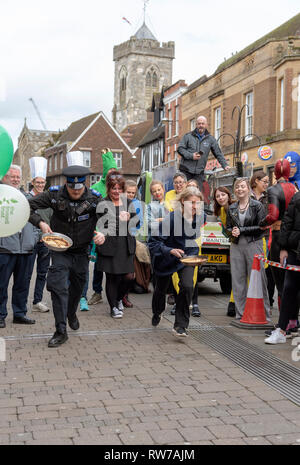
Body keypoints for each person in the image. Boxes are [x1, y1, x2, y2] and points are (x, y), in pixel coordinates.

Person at [28, 154, 104, 347]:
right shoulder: (54, 194)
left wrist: (103, 233)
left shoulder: (94, 199)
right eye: (72, 187)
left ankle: (71, 312)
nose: (75, 191)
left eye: (79, 188)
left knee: (78, 288)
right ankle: (60, 330)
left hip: (81, 252)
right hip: (59, 249)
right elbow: (27, 206)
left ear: (84, 185)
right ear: (66, 184)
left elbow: (108, 218)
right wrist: (41, 223)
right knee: (58, 287)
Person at [148, 187, 204, 337]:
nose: (194, 207)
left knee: (187, 286)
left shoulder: (199, 217)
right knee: (160, 290)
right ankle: (157, 311)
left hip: (187, 256)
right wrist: (170, 250)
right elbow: (153, 243)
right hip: (166, 258)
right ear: (182, 202)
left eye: (197, 203)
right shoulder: (170, 219)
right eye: (191, 203)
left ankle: (180, 325)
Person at [226, 178, 271, 320]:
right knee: (238, 280)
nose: (240, 189)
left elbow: (262, 227)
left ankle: (265, 315)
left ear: (248, 189)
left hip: (254, 243)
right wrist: (231, 231)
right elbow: (227, 226)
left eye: (242, 186)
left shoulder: (257, 206)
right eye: (237, 187)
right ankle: (241, 314)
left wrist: (242, 230)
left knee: (258, 279)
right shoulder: (232, 207)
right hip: (236, 245)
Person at [0, 165, 38, 329]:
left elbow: (37, 219)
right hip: (6, 249)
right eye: (11, 176)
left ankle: (20, 313)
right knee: (1, 284)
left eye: (17, 177)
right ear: (4, 178)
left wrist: (34, 238)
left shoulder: (28, 198)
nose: (15, 179)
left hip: (26, 248)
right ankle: (0, 315)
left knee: (23, 284)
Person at [96, 174, 138, 319]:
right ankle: (113, 307)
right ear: (109, 188)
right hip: (109, 244)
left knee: (129, 277)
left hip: (126, 245)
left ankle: (119, 299)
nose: (117, 191)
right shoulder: (102, 203)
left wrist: (130, 219)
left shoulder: (128, 202)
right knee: (112, 278)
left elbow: (137, 224)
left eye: (120, 188)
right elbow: (101, 224)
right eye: (114, 188)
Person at [259, 159, 297, 309]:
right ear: (289, 172)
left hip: (278, 236)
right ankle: (293, 322)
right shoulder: (296, 189)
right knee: (293, 281)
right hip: (295, 238)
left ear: (275, 173)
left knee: (281, 284)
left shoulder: (273, 190)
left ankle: (284, 324)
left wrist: (261, 224)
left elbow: (273, 215)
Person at [264, 189, 300, 344]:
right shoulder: (298, 197)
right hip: (295, 249)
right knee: (289, 289)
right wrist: (284, 247)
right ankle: (281, 330)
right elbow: (287, 221)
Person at [86, 149, 118, 307]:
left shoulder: (120, 187)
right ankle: (97, 292)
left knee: (116, 264)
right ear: (105, 173)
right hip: (99, 231)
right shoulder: (96, 187)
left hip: (116, 232)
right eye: (110, 172)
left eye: (115, 172)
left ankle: (119, 295)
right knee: (99, 264)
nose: (112, 175)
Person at [177, 115, 230, 191]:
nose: (201, 125)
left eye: (202, 123)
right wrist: (191, 156)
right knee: (184, 193)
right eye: (199, 124)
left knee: (198, 194)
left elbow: (218, 153)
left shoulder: (210, 139)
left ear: (206, 125)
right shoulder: (188, 136)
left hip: (199, 172)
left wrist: (224, 165)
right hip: (185, 171)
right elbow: (180, 149)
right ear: (196, 125)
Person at [27, 157, 52, 313]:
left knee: (42, 272)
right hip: (29, 241)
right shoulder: (26, 198)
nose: (40, 185)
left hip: (45, 241)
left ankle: (37, 301)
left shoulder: (49, 199)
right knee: (26, 273)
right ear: (32, 182)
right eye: (38, 182)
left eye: (43, 183)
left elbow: (52, 218)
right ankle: (22, 302)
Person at [250, 171, 275, 309]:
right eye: (264, 181)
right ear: (256, 181)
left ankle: (266, 301)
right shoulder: (247, 196)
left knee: (264, 271)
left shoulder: (269, 197)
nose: (266, 184)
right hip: (248, 236)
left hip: (264, 237)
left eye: (267, 182)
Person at [213, 186, 235, 316]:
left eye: (223, 195)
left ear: (228, 195)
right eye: (217, 196)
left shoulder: (234, 207)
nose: (220, 198)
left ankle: (234, 304)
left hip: (240, 243)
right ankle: (233, 304)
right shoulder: (221, 210)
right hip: (232, 243)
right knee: (236, 276)